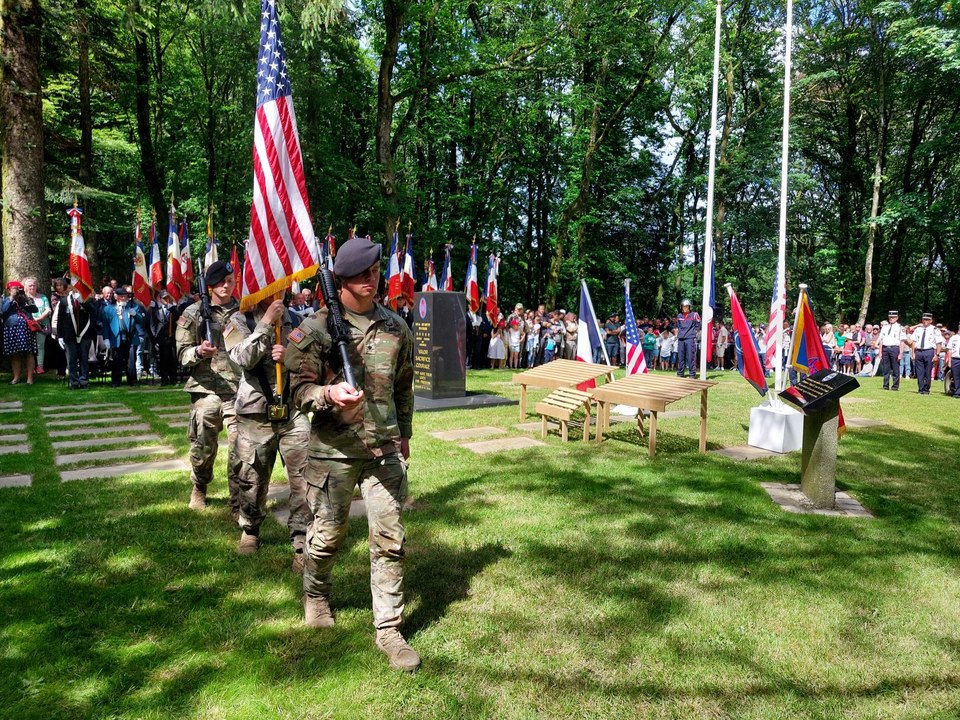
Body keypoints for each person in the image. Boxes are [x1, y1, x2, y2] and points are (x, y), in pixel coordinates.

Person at [284, 235, 419, 672]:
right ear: (339, 280)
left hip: (382, 451)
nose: (371, 279)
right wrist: (327, 392)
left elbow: (402, 387)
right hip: (332, 452)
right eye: (361, 274)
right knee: (327, 537)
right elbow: (296, 390)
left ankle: (389, 629)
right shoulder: (317, 329)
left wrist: (404, 433)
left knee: (390, 540)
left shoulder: (396, 327)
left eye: (375, 271)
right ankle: (317, 593)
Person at [226, 295, 310, 567]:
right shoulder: (239, 320)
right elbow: (242, 358)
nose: (278, 291)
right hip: (255, 411)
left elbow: (311, 364)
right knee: (252, 475)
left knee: (304, 475)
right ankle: (250, 529)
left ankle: (301, 536)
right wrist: (265, 323)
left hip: (291, 410)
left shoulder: (296, 320)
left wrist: (291, 359)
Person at [175, 260, 241, 512]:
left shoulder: (244, 310)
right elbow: (181, 354)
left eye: (230, 281)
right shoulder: (193, 313)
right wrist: (199, 351)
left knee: (241, 447)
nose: (226, 286)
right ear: (211, 285)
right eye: (221, 282)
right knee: (202, 445)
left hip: (238, 389)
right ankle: (199, 485)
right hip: (206, 388)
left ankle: (238, 499)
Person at [52, 278, 96, 389]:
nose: (76, 289)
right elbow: (60, 319)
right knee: (71, 359)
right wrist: (60, 336)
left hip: (84, 334)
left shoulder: (88, 300)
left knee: (84, 359)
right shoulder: (63, 301)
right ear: (70, 288)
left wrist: (82, 301)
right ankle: (74, 382)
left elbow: (94, 312)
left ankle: (84, 381)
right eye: (73, 287)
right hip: (69, 335)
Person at [101, 287, 143, 386]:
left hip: (131, 338)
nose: (125, 299)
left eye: (126, 296)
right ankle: (116, 381)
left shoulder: (133, 307)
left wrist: (135, 314)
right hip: (116, 338)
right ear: (117, 297)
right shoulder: (108, 309)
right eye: (122, 296)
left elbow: (141, 320)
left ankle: (132, 380)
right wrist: (106, 338)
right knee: (116, 360)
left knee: (131, 360)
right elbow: (105, 324)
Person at [2, 281, 38, 384]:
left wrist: (26, 297)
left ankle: (30, 378)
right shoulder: (6, 300)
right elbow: (3, 310)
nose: (16, 291)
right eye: (14, 289)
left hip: (26, 328)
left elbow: (34, 310)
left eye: (18, 289)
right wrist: (12, 298)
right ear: (9, 290)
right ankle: (16, 377)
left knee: (29, 352)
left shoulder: (25, 299)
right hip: (11, 328)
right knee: (14, 353)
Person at [908, 312, 944, 395]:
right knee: (919, 372)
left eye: (927, 319)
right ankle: (920, 389)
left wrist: (937, 355)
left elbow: (939, 343)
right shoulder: (918, 329)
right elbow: (914, 341)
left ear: (931, 320)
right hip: (919, 351)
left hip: (929, 351)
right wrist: (913, 353)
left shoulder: (935, 330)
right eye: (924, 319)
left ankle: (926, 389)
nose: (925, 321)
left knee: (927, 371)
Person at [150, 291, 180, 385]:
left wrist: (170, 307)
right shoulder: (155, 310)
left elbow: (179, 317)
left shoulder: (173, 309)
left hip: (172, 337)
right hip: (161, 338)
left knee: (173, 359)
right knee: (163, 360)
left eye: (167, 298)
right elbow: (152, 325)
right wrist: (155, 339)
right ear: (159, 299)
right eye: (163, 298)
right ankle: (164, 379)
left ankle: (173, 379)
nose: (165, 300)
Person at [22, 277, 51, 375]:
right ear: (25, 287)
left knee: (40, 346)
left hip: (41, 325)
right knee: (27, 347)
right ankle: (29, 368)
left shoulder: (42, 297)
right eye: (30, 285)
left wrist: (38, 319)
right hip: (26, 325)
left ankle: (40, 366)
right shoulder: (23, 298)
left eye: (34, 285)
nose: (32, 287)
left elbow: (48, 310)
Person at [877, 311, 906, 390]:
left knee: (895, 368)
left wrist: (900, 353)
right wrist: (880, 352)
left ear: (897, 318)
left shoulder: (900, 328)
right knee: (886, 368)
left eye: (893, 317)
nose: (891, 319)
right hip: (885, 348)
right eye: (890, 317)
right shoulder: (885, 327)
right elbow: (881, 340)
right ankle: (885, 385)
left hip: (895, 348)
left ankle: (895, 386)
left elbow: (902, 341)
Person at [675, 299, 700, 379]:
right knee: (680, 357)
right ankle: (680, 373)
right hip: (681, 338)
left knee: (691, 356)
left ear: (689, 306)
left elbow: (698, 325)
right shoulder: (679, 316)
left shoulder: (694, 315)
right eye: (683, 306)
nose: (684, 308)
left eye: (686, 306)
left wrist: (693, 332)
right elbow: (678, 326)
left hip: (690, 338)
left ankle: (692, 374)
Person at [948, 324, 960, 399]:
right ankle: (957, 393)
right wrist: (949, 361)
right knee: (956, 377)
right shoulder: (953, 338)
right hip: (955, 359)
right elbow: (950, 350)